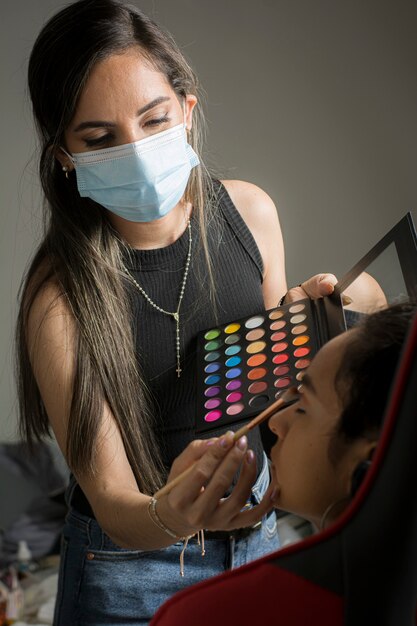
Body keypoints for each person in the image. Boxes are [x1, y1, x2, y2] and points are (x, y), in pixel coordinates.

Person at [17, 0, 339, 623]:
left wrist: (337, 322)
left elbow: (278, 397)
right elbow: (112, 501)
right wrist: (177, 512)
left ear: (188, 110)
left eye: (154, 118)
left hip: (258, 544)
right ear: (63, 154)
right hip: (125, 576)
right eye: (100, 138)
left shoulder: (251, 214)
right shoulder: (57, 298)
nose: (135, 151)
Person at [149, 300, 416, 626]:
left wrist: (167, 518)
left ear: (369, 462)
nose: (275, 423)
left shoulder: (200, 616)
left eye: (302, 406)